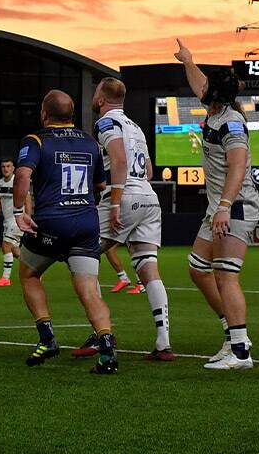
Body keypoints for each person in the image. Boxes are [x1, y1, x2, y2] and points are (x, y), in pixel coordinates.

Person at [13, 90, 117, 374]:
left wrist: (16, 212)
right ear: (71, 115)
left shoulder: (36, 140)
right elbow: (100, 186)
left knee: (29, 274)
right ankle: (106, 345)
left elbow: (22, 175)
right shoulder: (91, 142)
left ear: (44, 114)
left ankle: (47, 337)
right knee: (89, 291)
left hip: (51, 223)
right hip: (85, 224)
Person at [176, 39, 259, 370]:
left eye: (208, 84)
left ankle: (241, 352)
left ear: (215, 94)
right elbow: (198, 81)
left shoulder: (231, 123)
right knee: (198, 269)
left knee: (226, 276)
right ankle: (232, 335)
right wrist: (187, 60)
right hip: (219, 208)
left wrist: (224, 205)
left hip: (235, 206)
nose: (203, 86)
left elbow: (238, 167)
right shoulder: (215, 106)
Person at [88, 76, 173, 360]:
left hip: (124, 196)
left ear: (101, 99)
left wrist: (114, 204)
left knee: (82, 257)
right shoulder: (135, 126)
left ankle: (100, 332)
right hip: (149, 197)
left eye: (95, 92)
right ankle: (163, 342)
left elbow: (120, 160)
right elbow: (148, 169)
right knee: (148, 268)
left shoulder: (105, 122)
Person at [0, 159, 20, 286]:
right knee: (15, 250)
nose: (5, 169)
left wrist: (28, 217)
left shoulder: (18, 182)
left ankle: (5, 278)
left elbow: (28, 199)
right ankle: (35, 270)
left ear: (13, 168)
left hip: (18, 219)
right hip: (7, 221)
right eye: (3, 166)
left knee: (6, 245)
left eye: (8, 166)